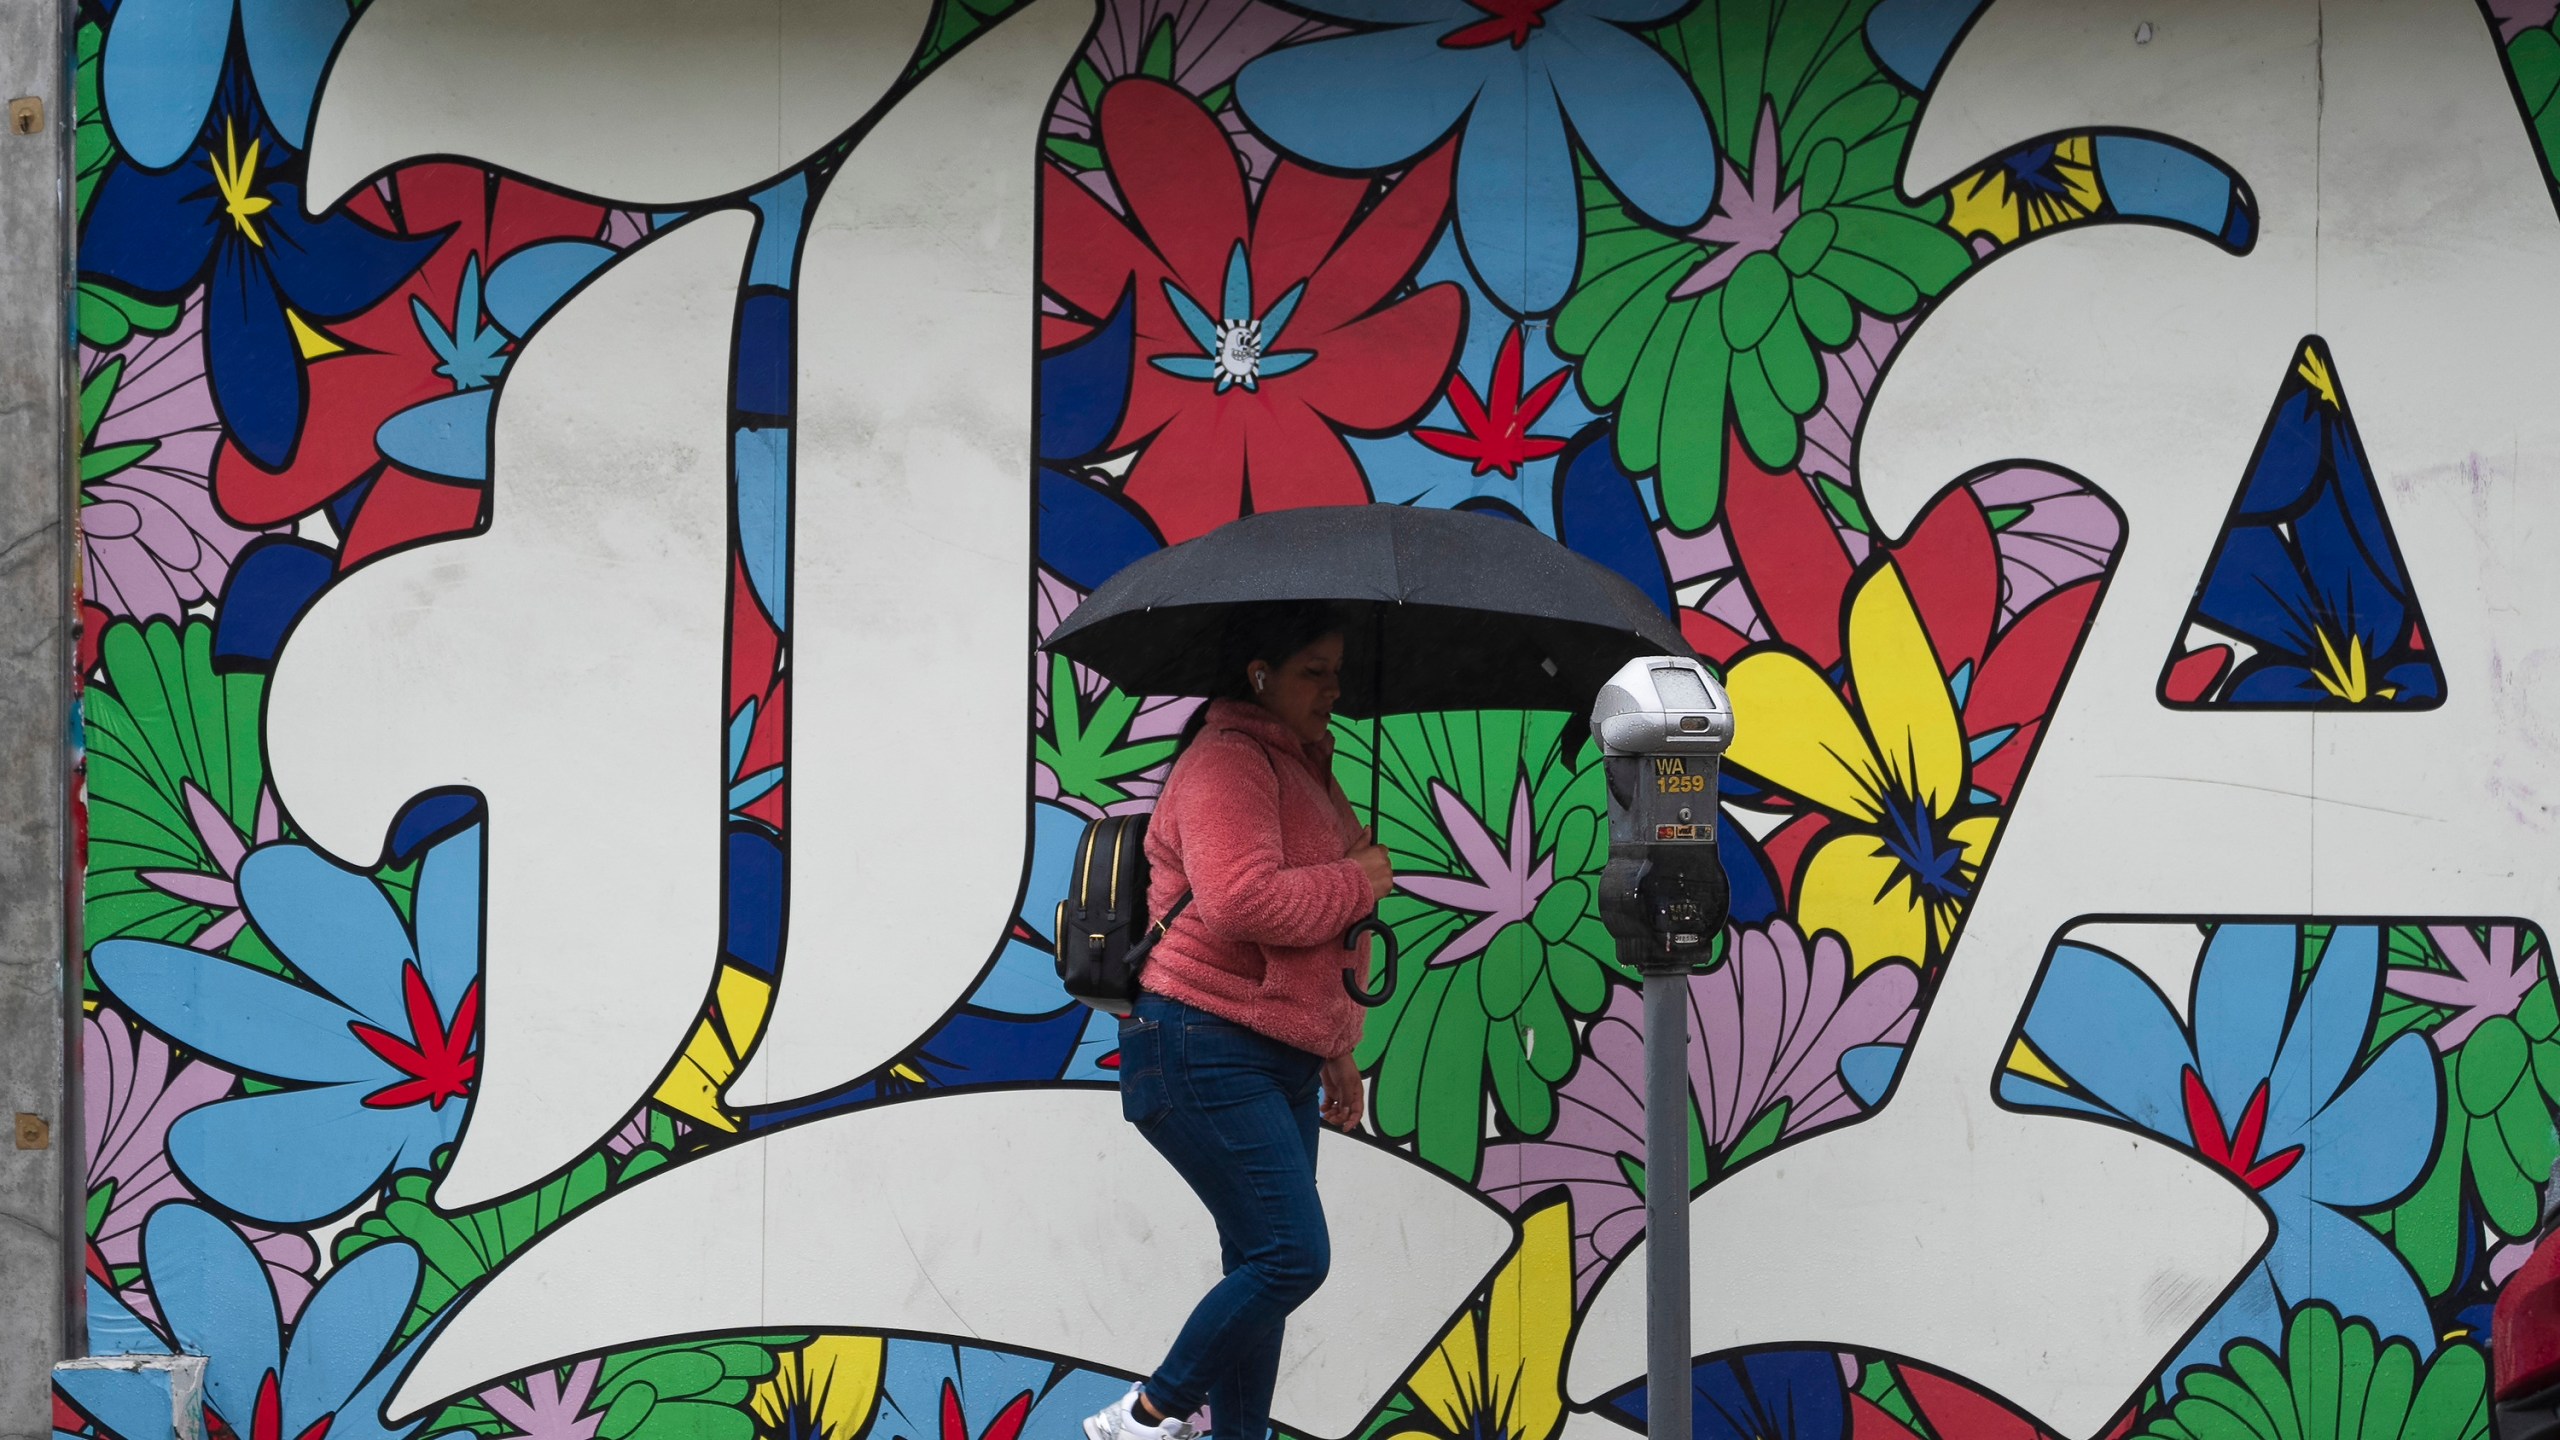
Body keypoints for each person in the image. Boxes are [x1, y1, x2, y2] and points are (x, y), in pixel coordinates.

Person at [1082, 603, 1398, 1440]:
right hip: (1200, 1044)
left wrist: (1336, 1045)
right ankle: (1146, 1416)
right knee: (1291, 1255)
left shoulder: (1304, 769)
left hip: (1271, 1051)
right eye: (1313, 671)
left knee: (1258, 1265)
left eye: (1336, 670)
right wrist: (1360, 877)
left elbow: (1323, 933)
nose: (1333, 687)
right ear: (1259, 675)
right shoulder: (1228, 764)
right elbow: (1243, 901)